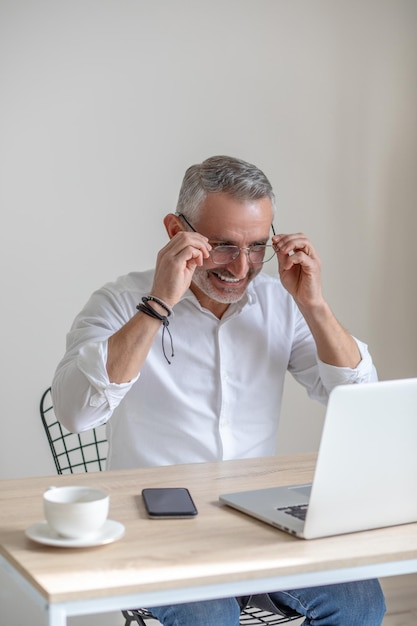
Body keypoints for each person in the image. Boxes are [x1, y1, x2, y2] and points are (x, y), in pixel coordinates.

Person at [52, 155, 386, 625]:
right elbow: (75, 413)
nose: (241, 266)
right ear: (176, 231)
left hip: (260, 521)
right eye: (224, 245)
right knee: (211, 617)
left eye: (256, 247)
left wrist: (314, 305)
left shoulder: (281, 304)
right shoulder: (119, 302)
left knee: (362, 604)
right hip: (159, 527)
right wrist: (158, 304)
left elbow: (359, 399)